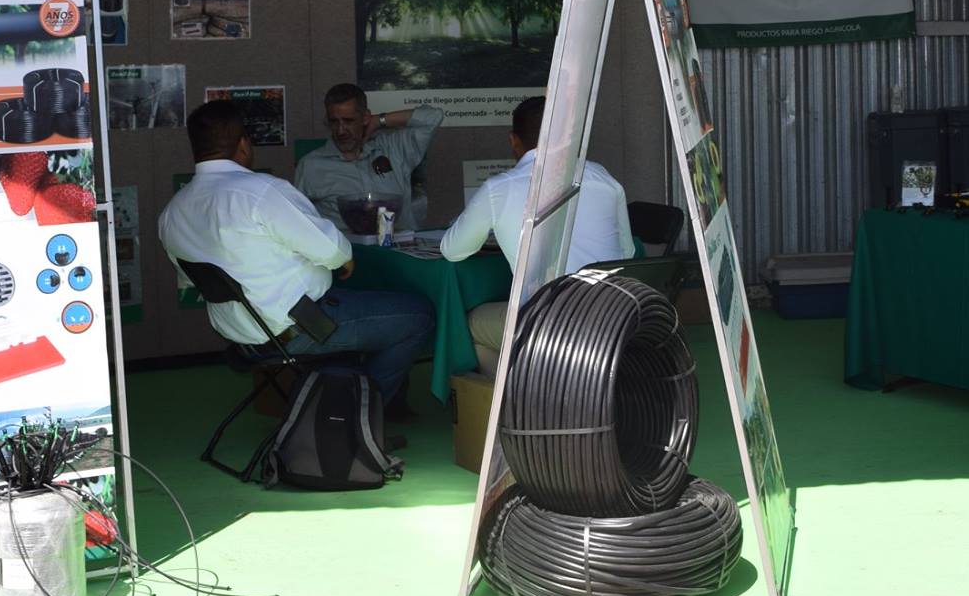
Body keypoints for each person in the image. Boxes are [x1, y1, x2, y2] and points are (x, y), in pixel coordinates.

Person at [160, 100, 433, 414]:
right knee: (420, 316)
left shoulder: (172, 213)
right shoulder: (261, 192)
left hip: (242, 337)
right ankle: (359, 417)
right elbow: (334, 252)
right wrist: (343, 258)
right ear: (244, 145)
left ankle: (340, 401)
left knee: (361, 313)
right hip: (303, 327)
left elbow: (191, 279)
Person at [441, 96, 638, 367]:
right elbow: (627, 251)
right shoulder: (603, 177)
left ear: (513, 140)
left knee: (469, 324)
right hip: (612, 318)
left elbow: (452, 251)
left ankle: (525, 390)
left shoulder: (499, 188)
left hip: (549, 322)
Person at [293, 83, 445, 236]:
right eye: (334, 122)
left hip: (398, 243)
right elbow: (295, 220)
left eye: (349, 121)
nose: (341, 130)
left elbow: (433, 117)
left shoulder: (392, 148)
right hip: (346, 246)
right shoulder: (311, 165)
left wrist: (379, 121)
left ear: (365, 118)